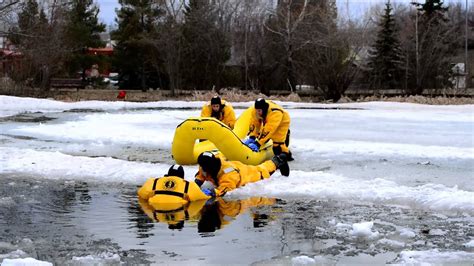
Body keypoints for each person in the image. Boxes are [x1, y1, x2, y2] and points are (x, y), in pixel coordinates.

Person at [194, 151, 289, 197]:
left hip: (248, 174)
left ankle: (279, 159)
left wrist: (213, 192)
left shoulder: (229, 174)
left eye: (203, 167)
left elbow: (226, 188)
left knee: (262, 170)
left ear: (210, 167)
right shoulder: (206, 166)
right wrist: (196, 183)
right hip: (236, 166)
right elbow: (201, 174)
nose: (201, 168)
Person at [137, 164, 210, 205]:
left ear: (167, 175)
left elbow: (141, 193)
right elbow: (203, 197)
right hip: (178, 206)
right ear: (182, 177)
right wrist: (214, 192)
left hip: (155, 205)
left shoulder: (154, 181)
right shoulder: (189, 185)